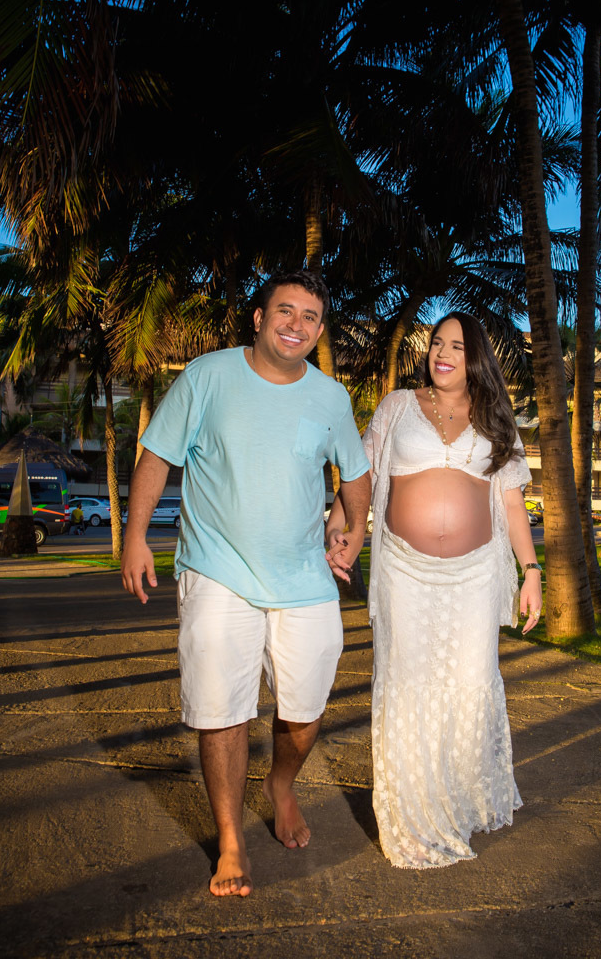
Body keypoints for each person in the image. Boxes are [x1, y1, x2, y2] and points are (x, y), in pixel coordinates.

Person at [121, 271, 371, 898]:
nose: (297, 324)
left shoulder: (331, 397)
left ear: (318, 331)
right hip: (217, 569)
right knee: (222, 708)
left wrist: (356, 529)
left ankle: (280, 783)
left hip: (304, 577)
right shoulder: (208, 376)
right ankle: (231, 840)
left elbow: (355, 476)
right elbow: (157, 454)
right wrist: (134, 535)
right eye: (285, 310)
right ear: (258, 318)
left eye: (311, 316)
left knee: (307, 709)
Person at [327, 313, 541, 869]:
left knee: (469, 683)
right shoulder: (399, 404)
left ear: (477, 359)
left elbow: (512, 501)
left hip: (474, 575)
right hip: (405, 572)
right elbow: (364, 474)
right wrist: (344, 528)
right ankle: (413, 816)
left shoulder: (496, 417)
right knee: (408, 685)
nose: (442, 353)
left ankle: (457, 799)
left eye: (457, 346)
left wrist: (532, 570)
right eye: (437, 344)